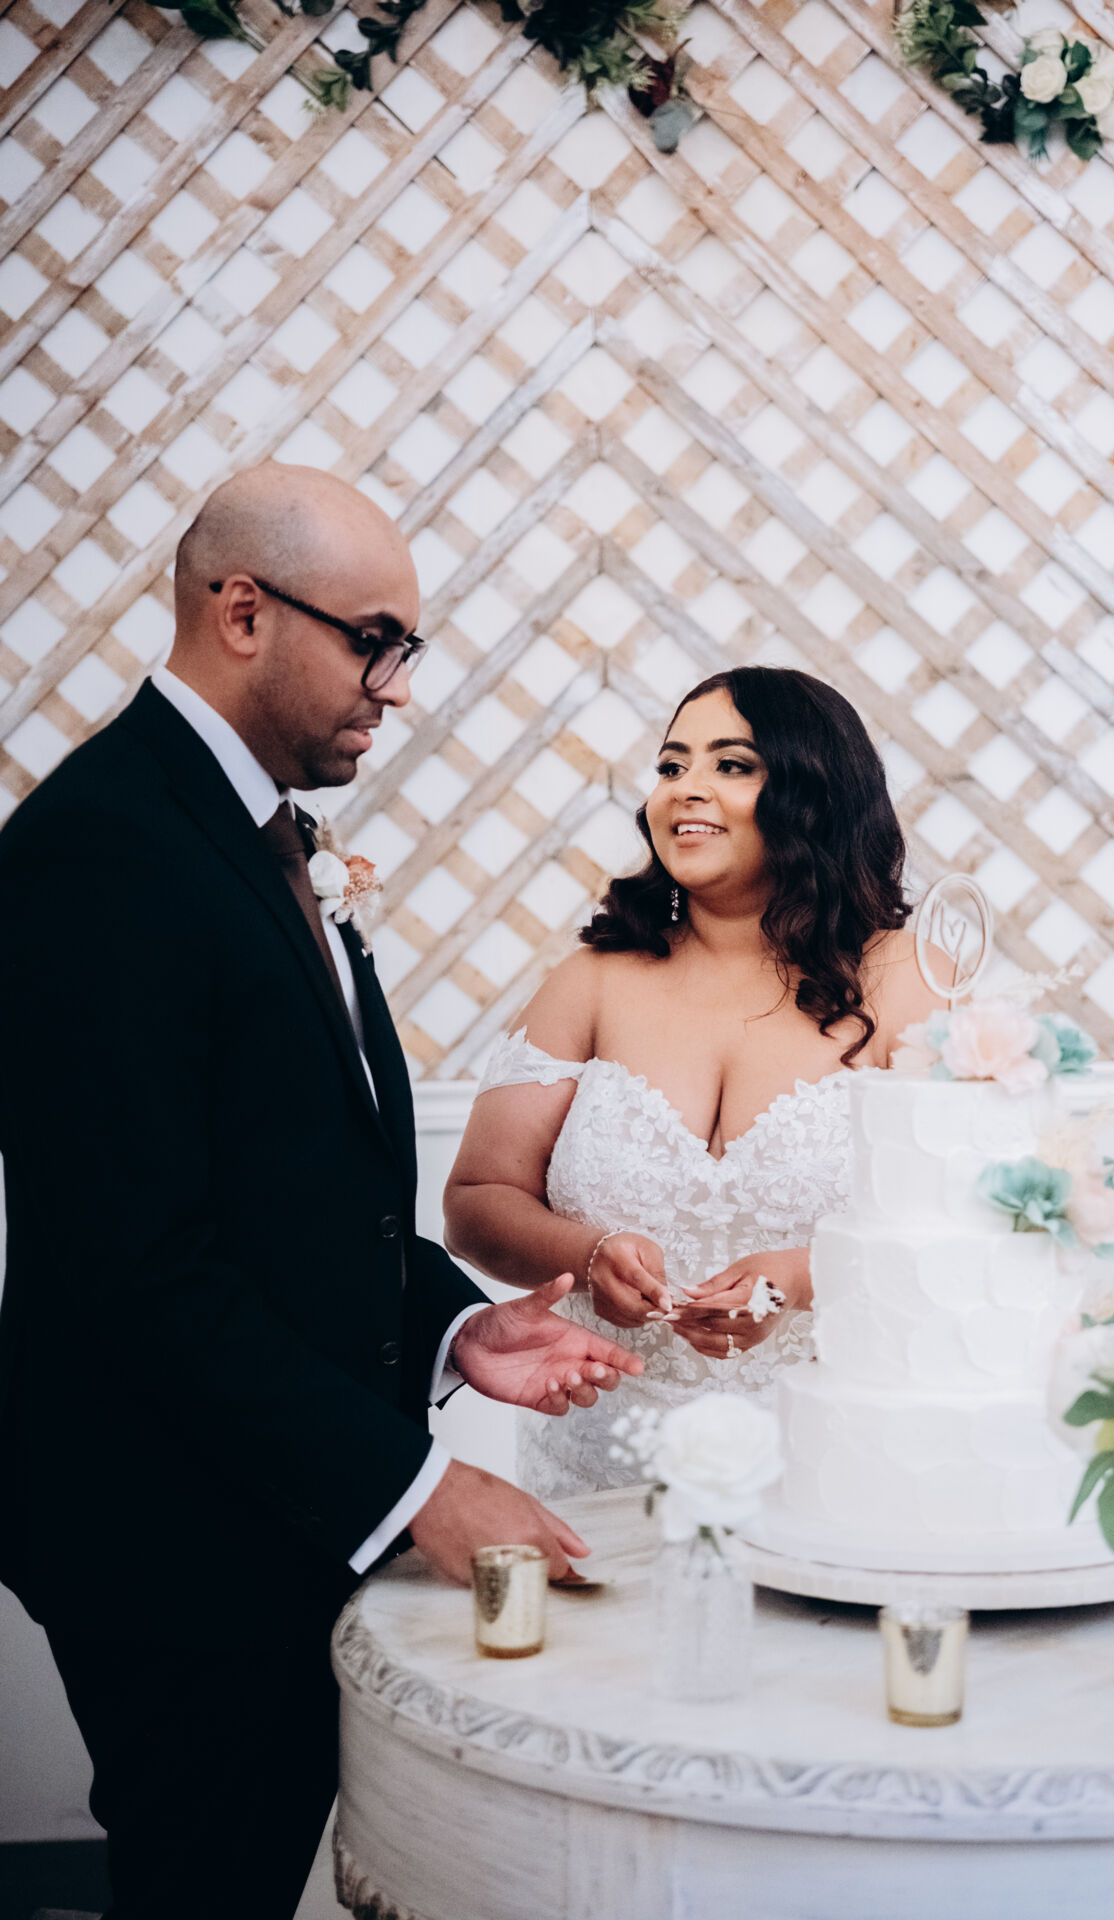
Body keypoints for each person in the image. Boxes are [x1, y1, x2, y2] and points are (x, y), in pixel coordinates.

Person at [0, 464, 642, 1920]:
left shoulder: (255, 831)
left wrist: (450, 1327)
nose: (396, 688)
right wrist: (419, 1490)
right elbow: (139, 1266)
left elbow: (294, 1184)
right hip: (168, 1536)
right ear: (242, 611)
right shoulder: (101, 851)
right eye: (375, 641)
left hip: (264, 1506)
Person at [444, 666, 952, 1499]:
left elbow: (973, 1223)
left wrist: (802, 1279)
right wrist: (588, 1256)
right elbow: (475, 1202)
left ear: (816, 791)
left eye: (732, 764)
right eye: (672, 765)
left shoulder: (908, 980)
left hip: (838, 1465)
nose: (685, 788)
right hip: (602, 1461)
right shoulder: (592, 980)